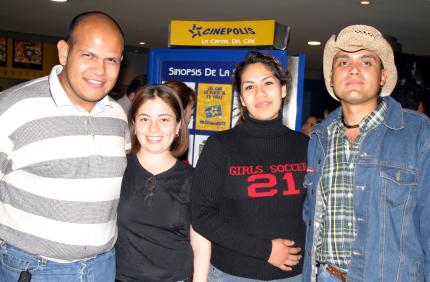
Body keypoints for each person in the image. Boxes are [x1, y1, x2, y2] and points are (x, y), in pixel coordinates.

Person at [0, 11, 129, 281]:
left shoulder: (118, 116)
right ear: (64, 52)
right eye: (89, 55)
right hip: (33, 269)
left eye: (111, 60)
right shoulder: (13, 108)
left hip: (103, 267)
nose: (100, 70)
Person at [302, 25, 430, 282]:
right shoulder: (319, 138)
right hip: (326, 276)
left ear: (383, 76)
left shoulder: (418, 133)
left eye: (366, 61)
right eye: (344, 61)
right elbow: (310, 216)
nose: (353, 69)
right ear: (330, 78)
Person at [192, 51, 309, 281]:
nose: (260, 93)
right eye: (249, 87)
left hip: (294, 276)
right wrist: (266, 250)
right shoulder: (220, 146)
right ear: (242, 98)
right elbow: (202, 216)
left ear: (283, 89)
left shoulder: (305, 146)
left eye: (268, 83)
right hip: (233, 274)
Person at [115, 85, 209, 282]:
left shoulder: (194, 179)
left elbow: (200, 243)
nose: (153, 128)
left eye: (164, 119)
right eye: (145, 119)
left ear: (177, 126)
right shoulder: (116, 170)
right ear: (133, 123)